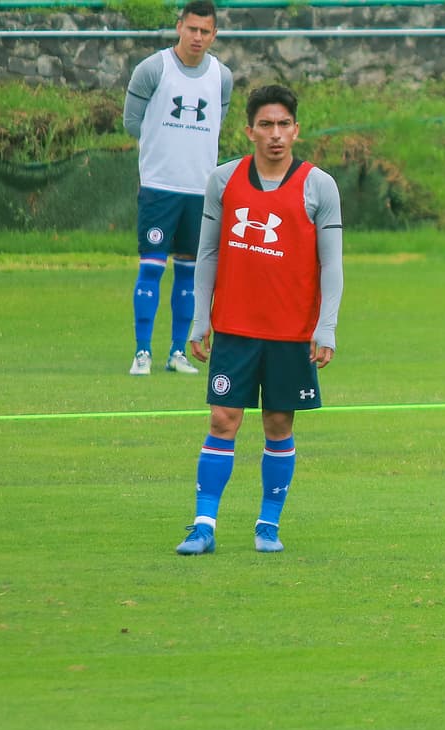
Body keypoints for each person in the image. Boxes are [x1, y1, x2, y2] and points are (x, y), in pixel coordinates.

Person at [175, 84, 344, 555]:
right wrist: (199, 320)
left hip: (291, 333)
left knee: (277, 424)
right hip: (235, 327)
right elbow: (207, 254)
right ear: (249, 131)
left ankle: (268, 525)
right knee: (222, 419)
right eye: (265, 125)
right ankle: (203, 524)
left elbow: (332, 264)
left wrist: (324, 326)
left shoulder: (318, 185)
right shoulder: (224, 180)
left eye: (283, 125)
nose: (275, 134)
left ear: (297, 130)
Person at [123, 0, 233, 377]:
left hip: (200, 191)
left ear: (214, 34)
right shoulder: (154, 69)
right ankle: (142, 352)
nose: (198, 37)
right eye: (192, 29)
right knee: (151, 268)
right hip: (159, 188)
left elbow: (220, 120)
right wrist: (162, 150)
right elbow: (132, 122)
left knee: (190, 273)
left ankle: (176, 352)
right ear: (179, 27)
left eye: (205, 31)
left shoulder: (222, 76)